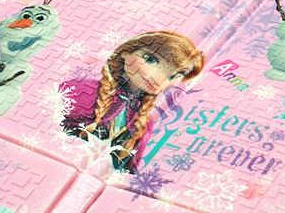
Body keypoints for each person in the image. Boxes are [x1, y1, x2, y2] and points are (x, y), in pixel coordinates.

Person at [60, 31, 205, 171]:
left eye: (172, 76)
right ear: (127, 52)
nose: (158, 78)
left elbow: (126, 170)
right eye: (151, 60)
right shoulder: (80, 89)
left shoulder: (145, 123)